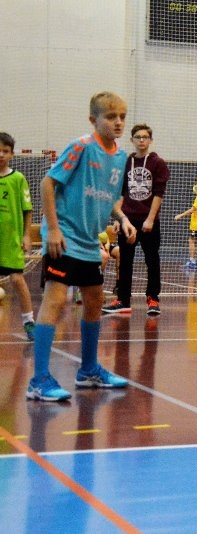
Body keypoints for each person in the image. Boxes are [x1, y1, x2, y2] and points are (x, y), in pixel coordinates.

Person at [29, 91, 136, 402]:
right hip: (64, 236)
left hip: (89, 240)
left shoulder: (120, 157)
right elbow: (48, 183)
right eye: (111, 117)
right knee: (55, 300)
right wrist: (52, 230)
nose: (118, 122)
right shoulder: (81, 146)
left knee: (94, 301)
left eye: (122, 117)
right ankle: (38, 380)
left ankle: (88, 370)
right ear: (93, 120)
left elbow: (111, 198)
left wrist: (123, 218)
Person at [101, 124, 169, 316]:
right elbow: (121, 192)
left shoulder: (157, 163)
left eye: (145, 137)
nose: (141, 140)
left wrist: (150, 219)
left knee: (152, 260)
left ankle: (153, 299)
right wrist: (119, 218)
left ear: (150, 140)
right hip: (128, 221)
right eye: (138, 137)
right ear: (132, 140)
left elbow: (158, 194)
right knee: (125, 260)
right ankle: (123, 300)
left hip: (148, 221)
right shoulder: (126, 162)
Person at [0, 132, 37, 340]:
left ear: (12, 154)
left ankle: (29, 321)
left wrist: (26, 236)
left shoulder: (18, 179)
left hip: (11, 240)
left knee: (17, 279)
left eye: (5, 151)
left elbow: (27, 209)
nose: (1, 154)